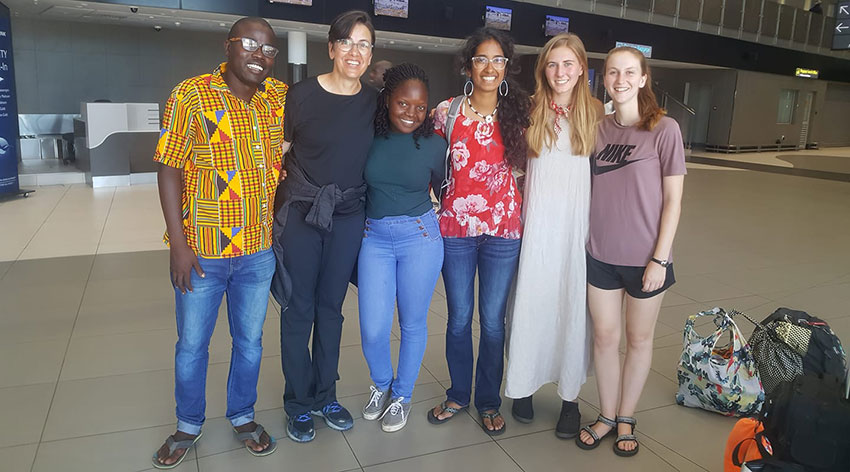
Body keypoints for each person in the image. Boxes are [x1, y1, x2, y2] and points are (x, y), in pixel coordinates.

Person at [151, 17, 285, 469]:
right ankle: (188, 424)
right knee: (192, 344)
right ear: (228, 46)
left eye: (268, 49)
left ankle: (243, 416)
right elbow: (169, 167)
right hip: (202, 251)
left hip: (256, 250)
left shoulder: (276, 99)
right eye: (249, 44)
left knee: (249, 342)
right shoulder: (191, 94)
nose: (259, 55)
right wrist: (178, 244)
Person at [270, 10, 377, 443]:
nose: (355, 52)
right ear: (331, 48)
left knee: (331, 308)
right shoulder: (300, 96)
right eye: (347, 42)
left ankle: (325, 395)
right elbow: (279, 154)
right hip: (301, 212)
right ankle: (297, 402)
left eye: (364, 44)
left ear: (371, 53)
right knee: (299, 307)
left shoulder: (373, 102)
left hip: (349, 215)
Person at [576, 46, 686, 457]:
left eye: (628, 73)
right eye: (611, 73)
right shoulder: (597, 130)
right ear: (603, 79)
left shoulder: (665, 129)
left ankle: (626, 417)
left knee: (639, 340)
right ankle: (606, 415)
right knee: (605, 338)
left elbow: (673, 201)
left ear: (643, 79)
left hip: (646, 262)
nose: (619, 80)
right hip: (600, 255)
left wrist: (660, 258)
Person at [427, 27, 530, 436]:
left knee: (491, 322)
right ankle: (457, 394)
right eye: (482, 59)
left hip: (504, 231)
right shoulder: (446, 111)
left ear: (507, 66)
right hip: (455, 229)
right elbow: (430, 163)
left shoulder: (521, 111)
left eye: (498, 60)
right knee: (458, 318)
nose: (490, 67)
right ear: (469, 64)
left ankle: (488, 400)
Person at [504, 33, 601, 439]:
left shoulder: (598, 115)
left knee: (571, 309)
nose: (560, 72)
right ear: (544, 69)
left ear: (581, 68)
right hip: (537, 227)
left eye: (567, 64)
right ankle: (522, 385)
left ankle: (570, 399)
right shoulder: (531, 110)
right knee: (530, 304)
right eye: (552, 64)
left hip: (576, 231)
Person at [358, 63, 447, 433]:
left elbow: (442, 188)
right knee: (373, 329)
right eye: (403, 104)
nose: (412, 113)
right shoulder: (368, 136)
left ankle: (403, 395)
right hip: (374, 238)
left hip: (420, 237)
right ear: (387, 101)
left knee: (412, 323)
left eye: (420, 106)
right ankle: (382, 383)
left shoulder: (435, 144)